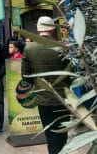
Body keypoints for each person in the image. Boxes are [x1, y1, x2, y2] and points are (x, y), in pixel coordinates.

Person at [22, 16, 70, 154]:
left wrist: (38, 84)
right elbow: (70, 75)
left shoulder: (29, 49)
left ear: (38, 29)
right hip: (62, 100)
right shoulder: (62, 48)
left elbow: (26, 77)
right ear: (52, 29)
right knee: (62, 136)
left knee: (50, 136)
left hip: (43, 100)